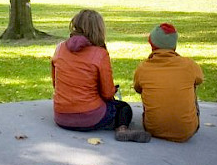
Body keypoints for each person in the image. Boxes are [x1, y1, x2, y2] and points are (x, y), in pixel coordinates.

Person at [51, 9, 149, 142]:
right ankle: (122, 130)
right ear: (98, 29)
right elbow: (107, 94)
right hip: (90, 116)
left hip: (61, 116)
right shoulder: (100, 54)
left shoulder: (59, 48)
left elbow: (56, 84)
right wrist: (113, 90)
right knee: (124, 108)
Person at [132, 23, 203, 142]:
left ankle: (159, 119)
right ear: (174, 45)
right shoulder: (189, 65)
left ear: (152, 44)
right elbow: (199, 80)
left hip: (152, 129)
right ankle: (182, 120)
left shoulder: (143, 68)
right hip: (186, 131)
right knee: (192, 83)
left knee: (147, 89)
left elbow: (138, 89)